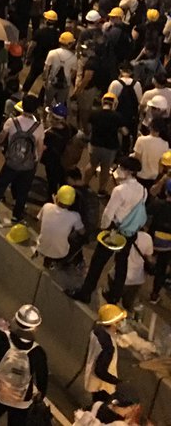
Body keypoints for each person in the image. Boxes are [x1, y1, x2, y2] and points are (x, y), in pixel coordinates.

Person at [70, 155, 146, 304]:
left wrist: (103, 229)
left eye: (121, 168)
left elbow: (108, 213)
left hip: (114, 229)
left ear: (128, 171)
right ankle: (114, 296)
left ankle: (86, 291)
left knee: (98, 262)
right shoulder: (143, 190)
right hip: (130, 232)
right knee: (121, 264)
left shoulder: (120, 190)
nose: (119, 170)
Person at [0, 95, 45, 224]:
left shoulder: (12, 122)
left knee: (1, 185)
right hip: (28, 165)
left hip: (12, 161)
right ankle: (17, 215)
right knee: (23, 191)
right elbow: (39, 148)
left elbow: (2, 137)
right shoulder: (38, 127)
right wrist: (35, 161)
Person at [0, 305, 48, 426]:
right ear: (35, 328)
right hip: (21, 400)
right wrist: (40, 396)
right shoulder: (38, 352)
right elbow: (42, 380)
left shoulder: (1, 338)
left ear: (16, 321)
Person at [84, 304, 126, 403]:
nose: (121, 323)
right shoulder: (108, 347)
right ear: (113, 323)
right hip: (103, 386)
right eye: (119, 321)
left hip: (93, 381)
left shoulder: (97, 331)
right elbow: (100, 371)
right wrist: (117, 382)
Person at [36, 185, 85, 268]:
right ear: (72, 202)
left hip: (41, 246)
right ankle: (64, 262)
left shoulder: (46, 206)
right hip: (60, 252)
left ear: (57, 197)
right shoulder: (75, 216)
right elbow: (82, 232)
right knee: (79, 240)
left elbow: (39, 223)